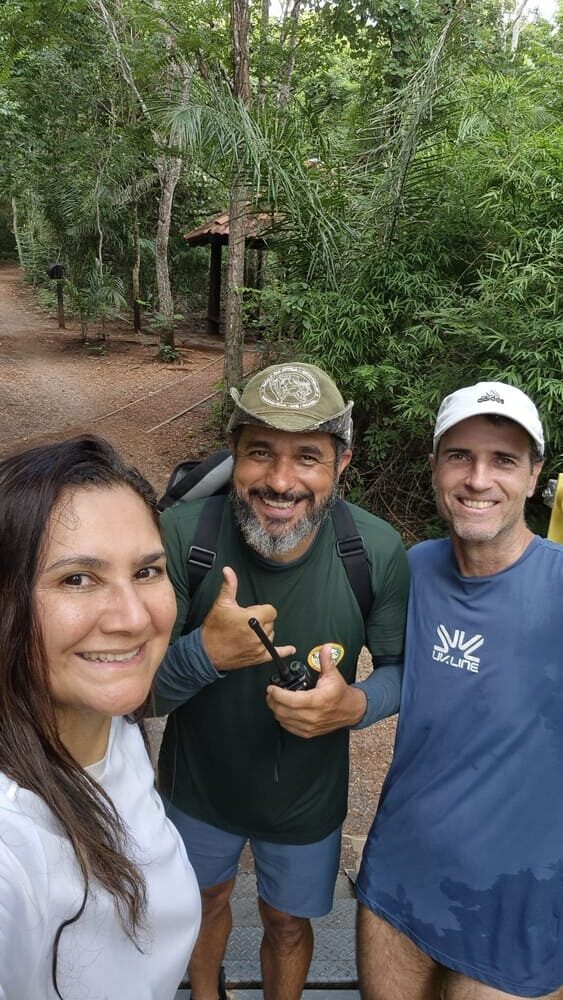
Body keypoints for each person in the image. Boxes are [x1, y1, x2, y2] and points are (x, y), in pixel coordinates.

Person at [154, 362, 410, 1000]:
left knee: (288, 923)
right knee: (200, 903)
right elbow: (138, 695)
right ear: (234, 454)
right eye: (260, 452)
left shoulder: (373, 551)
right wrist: (205, 653)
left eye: (308, 457)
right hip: (197, 786)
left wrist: (354, 705)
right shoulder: (183, 537)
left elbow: (402, 672)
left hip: (305, 797)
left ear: (341, 463)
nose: (280, 480)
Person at [356, 381, 563, 1000]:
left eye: (504, 460)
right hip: (398, 880)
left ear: (535, 476)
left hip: (521, 902)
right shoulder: (412, 569)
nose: (478, 479)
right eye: (460, 456)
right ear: (435, 468)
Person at [0, 435, 201, 1000]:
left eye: (147, 571)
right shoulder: (12, 845)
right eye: (77, 579)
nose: (132, 618)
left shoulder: (114, 723)